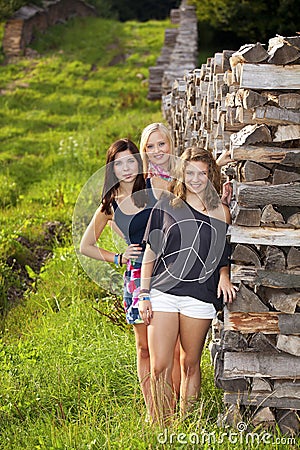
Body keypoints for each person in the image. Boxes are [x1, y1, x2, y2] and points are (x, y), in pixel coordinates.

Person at [138, 147, 238, 424]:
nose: (195, 179)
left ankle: (185, 423)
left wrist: (224, 275)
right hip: (162, 292)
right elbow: (150, 253)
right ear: (182, 174)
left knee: (189, 364)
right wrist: (143, 293)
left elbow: (221, 253)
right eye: (190, 172)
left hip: (200, 295)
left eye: (202, 173)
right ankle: (161, 423)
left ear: (211, 175)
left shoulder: (221, 212)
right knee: (159, 366)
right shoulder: (166, 205)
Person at [80, 138, 157, 415]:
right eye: (119, 163)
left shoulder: (153, 188)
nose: (126, 168)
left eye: (130, 161)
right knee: (144, 347)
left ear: (138, 161)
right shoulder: (110, 204)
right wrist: (118, 257)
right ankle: (153, 412)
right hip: (136, 277)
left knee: (167, 345)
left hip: (164, 270)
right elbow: (85, 246)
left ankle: (172, 406)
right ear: (112, 169)